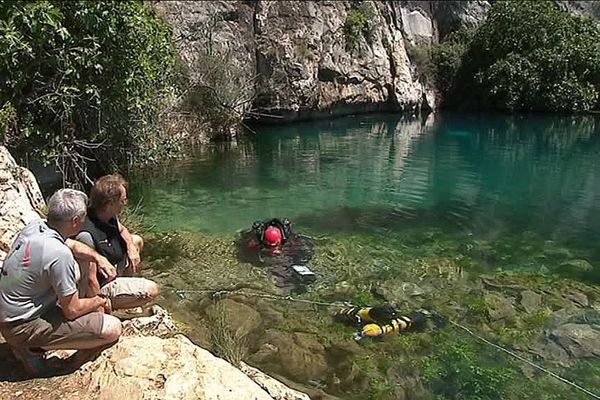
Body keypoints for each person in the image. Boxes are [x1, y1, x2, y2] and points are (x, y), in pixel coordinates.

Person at [0, 189, 122, 375]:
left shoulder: (36, 227)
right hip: (22, 326)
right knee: (112, 328)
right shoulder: (58, 254)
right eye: (82, 218)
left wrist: (98, 258)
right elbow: (72, 311)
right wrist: (99, 300)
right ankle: (31, 349)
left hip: (10, 315)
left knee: (76, 271)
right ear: (75, 221)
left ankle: (32, 342)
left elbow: (71, 244)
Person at [75, 174, 159, 311]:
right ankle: (117, 302)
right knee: (152, 290)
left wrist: (131, 248)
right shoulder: (86, 236)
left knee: (136, 240)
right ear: (110, 204)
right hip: (102, 284)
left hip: (113, 268)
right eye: (122, 200)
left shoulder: (109, 215)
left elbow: (122, 230)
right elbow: (90, 280)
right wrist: (100, 306)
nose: (125, 203)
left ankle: (127, 286)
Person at [239, 218, 316, 292]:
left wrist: (300, 259)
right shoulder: (257, 239)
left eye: (275, 246)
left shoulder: (290, 239)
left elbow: (306, 247)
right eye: (269, 246)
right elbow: (246, 250)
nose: (273, 249)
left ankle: (297, 279)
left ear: (280, 241)